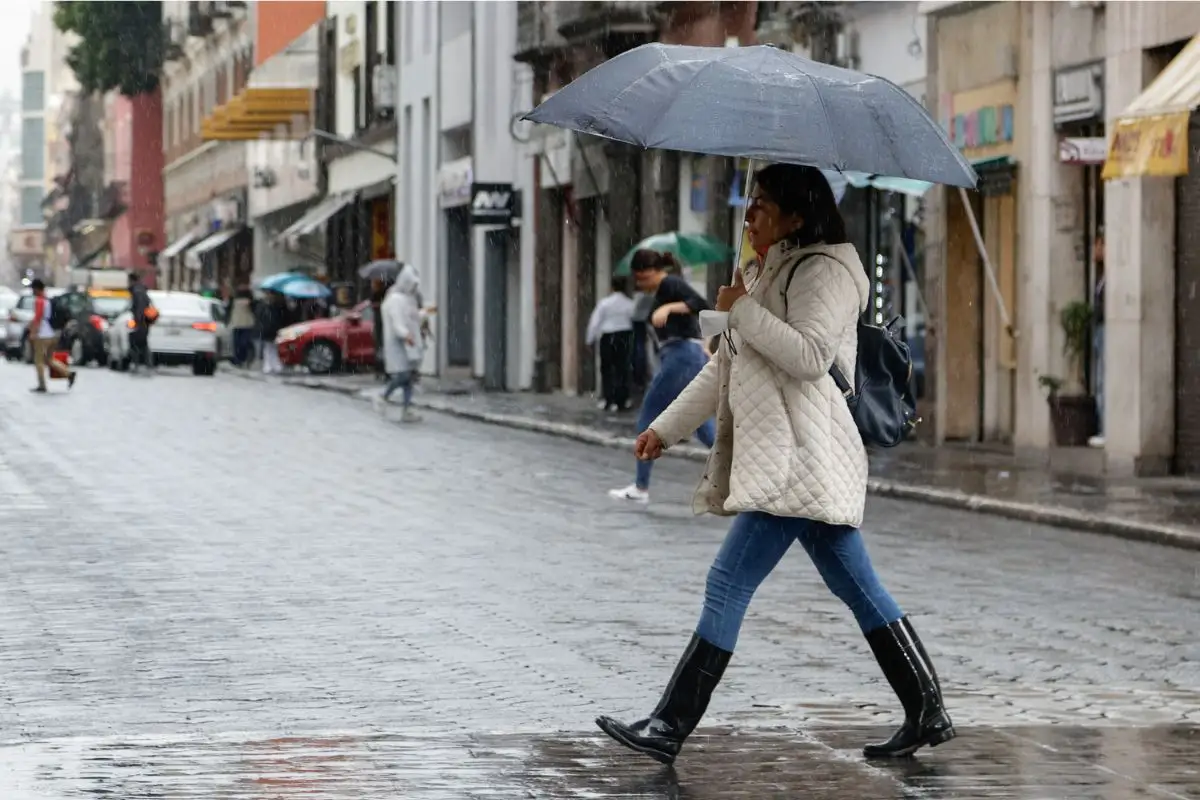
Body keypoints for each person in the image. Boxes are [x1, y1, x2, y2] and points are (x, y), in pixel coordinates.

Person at [594, 163, 954, 764]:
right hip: (793, 455)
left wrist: (743, 310)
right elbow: (725, 365)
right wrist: (665, 429)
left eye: (762, 204)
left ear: (796, 213)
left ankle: (668, 726)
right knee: (859, 588)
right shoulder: (768, 270)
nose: (750, 214)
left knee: (728, 581)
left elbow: (811, 357)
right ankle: (927, 709)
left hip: (799, 455)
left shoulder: (827, 270)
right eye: (750, 203)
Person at [608, 250, 714, 504]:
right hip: (685, 355)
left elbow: (703, 305)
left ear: (653, 272)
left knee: (649, 418)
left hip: (681, 356)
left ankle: (640, 487)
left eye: (642, 279)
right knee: (699, 422)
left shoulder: (670, 283)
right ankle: (739, 472)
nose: (641, 285)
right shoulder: (662, 289)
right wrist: (706, 344)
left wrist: (667, 308)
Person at [375, 264, 426, 423]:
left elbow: (412, 318)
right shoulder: (395, 300)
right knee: (403, 375)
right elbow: (398, 323)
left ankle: (407, 408)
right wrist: (405, 335)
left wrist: (423, 314)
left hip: (408, 343)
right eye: (413, 284)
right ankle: (383, 396)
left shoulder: (406, 298)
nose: (415, 287)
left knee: (408, 376)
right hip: (399, 344)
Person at [586, 275, 636, 412]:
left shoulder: (604, 303)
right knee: (622, 369)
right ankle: (621, 400)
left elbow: (595, 322)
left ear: (612, 287)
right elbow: (634, 320)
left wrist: (590, 339)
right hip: (624, 337)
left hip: (608, 337)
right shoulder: (629, 303)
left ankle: (608, 399)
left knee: (607, 369)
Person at [28, 279, 75, 392]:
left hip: (43, 335)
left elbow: (38, 317)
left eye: (33, 289)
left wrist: (33, 332)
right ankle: (68, 374)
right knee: (49, 359)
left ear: (37, 289)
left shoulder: (39, 300)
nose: (32, 291)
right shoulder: (49, 300)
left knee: (39, 361)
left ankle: (42, 385)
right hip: (53, 334)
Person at [1089, 227, 1105, 449]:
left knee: (1104, 380)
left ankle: (1105, 429)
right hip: (1101, 331)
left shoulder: (1109, 278)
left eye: (1097, 244)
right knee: (1101, 380)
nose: (1093, 249)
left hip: (1105, 330)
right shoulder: (1102, 276)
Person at [127, 271, 153, 374]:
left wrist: (137, 322)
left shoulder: (138, 291)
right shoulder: (140, 290)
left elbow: (140, 309)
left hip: (140, 322)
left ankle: (139, 365)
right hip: (143, 322)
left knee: (136, 343)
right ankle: (146, 365)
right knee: (142, 343)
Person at [257, 291, 286, 375]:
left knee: (274, 348)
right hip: (267, 329)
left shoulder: (277, 306)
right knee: (268, 348)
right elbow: (260, 316)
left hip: (274, 329)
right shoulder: (263, 306)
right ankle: (268, 365)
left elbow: (278, 318)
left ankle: (274, 365)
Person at [227, 286, 257, 367]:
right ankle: (240, 359)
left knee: (241, 343)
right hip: (239, 324)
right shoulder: (233, 300)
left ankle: (241, 359)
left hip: (245, 324)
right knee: (239, 343)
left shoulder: (250, 301)